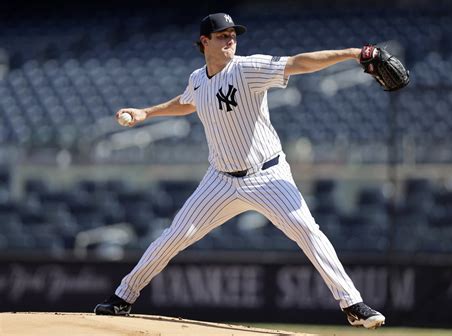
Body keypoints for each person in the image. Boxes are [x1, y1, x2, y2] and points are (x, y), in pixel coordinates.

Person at [94, 12, 386, 329]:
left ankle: (353, 304)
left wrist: (353, 54)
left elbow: (298, 63)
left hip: (268, 176)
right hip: (220, 180)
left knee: (307, 232)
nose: (231, 39)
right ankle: (123, 298)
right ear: (204, 41)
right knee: (173, 237)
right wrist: (145, 113)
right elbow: (188, 102)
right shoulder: (197, 79)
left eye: (233, 34)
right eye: (222, 35)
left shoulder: (247, 69)